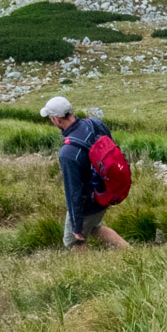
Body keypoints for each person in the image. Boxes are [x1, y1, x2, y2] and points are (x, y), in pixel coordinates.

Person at [42, 95, 131, 251]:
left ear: (57, 119)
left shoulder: (68, 152)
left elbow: (73, 193)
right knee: (93, 227)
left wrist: (76, 226)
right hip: (106, 190)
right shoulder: (95, 123)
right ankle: (129, 251)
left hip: (90, 201)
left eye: (50, 117)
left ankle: (87, 273)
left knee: (72, 241)